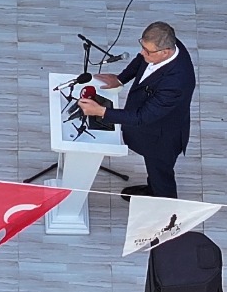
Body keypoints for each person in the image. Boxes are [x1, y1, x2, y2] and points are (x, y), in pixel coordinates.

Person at [78, 22, 196, 199]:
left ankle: (164, 212)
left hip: (161, 137)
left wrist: (101, 112)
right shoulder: (166, 44)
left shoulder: (177, 83)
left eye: (147, 51)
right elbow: (142, 61)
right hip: (151, 130)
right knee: (155, 172)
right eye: (143, 47)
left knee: (161, 175)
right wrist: (120, 79)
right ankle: (152, 190)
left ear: (165, 52)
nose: (142, 53)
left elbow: (143, 117)